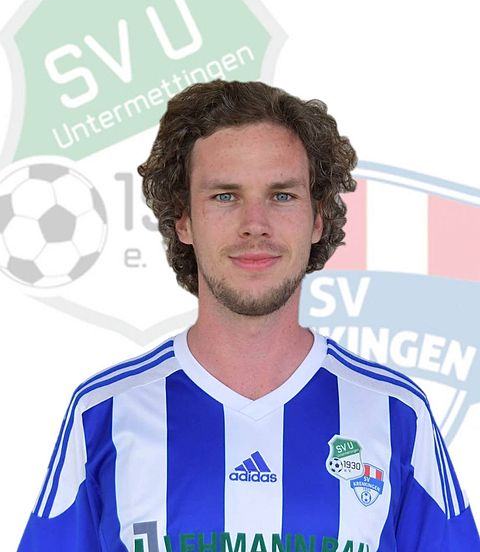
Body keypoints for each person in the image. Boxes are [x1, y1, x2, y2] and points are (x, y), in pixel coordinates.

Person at [18, 80, 479, 551]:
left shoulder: (396, 413)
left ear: (318, 218)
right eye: (225, 196)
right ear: (183, 219)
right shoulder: (105, 413)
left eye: (282, 196)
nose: (254, 224)